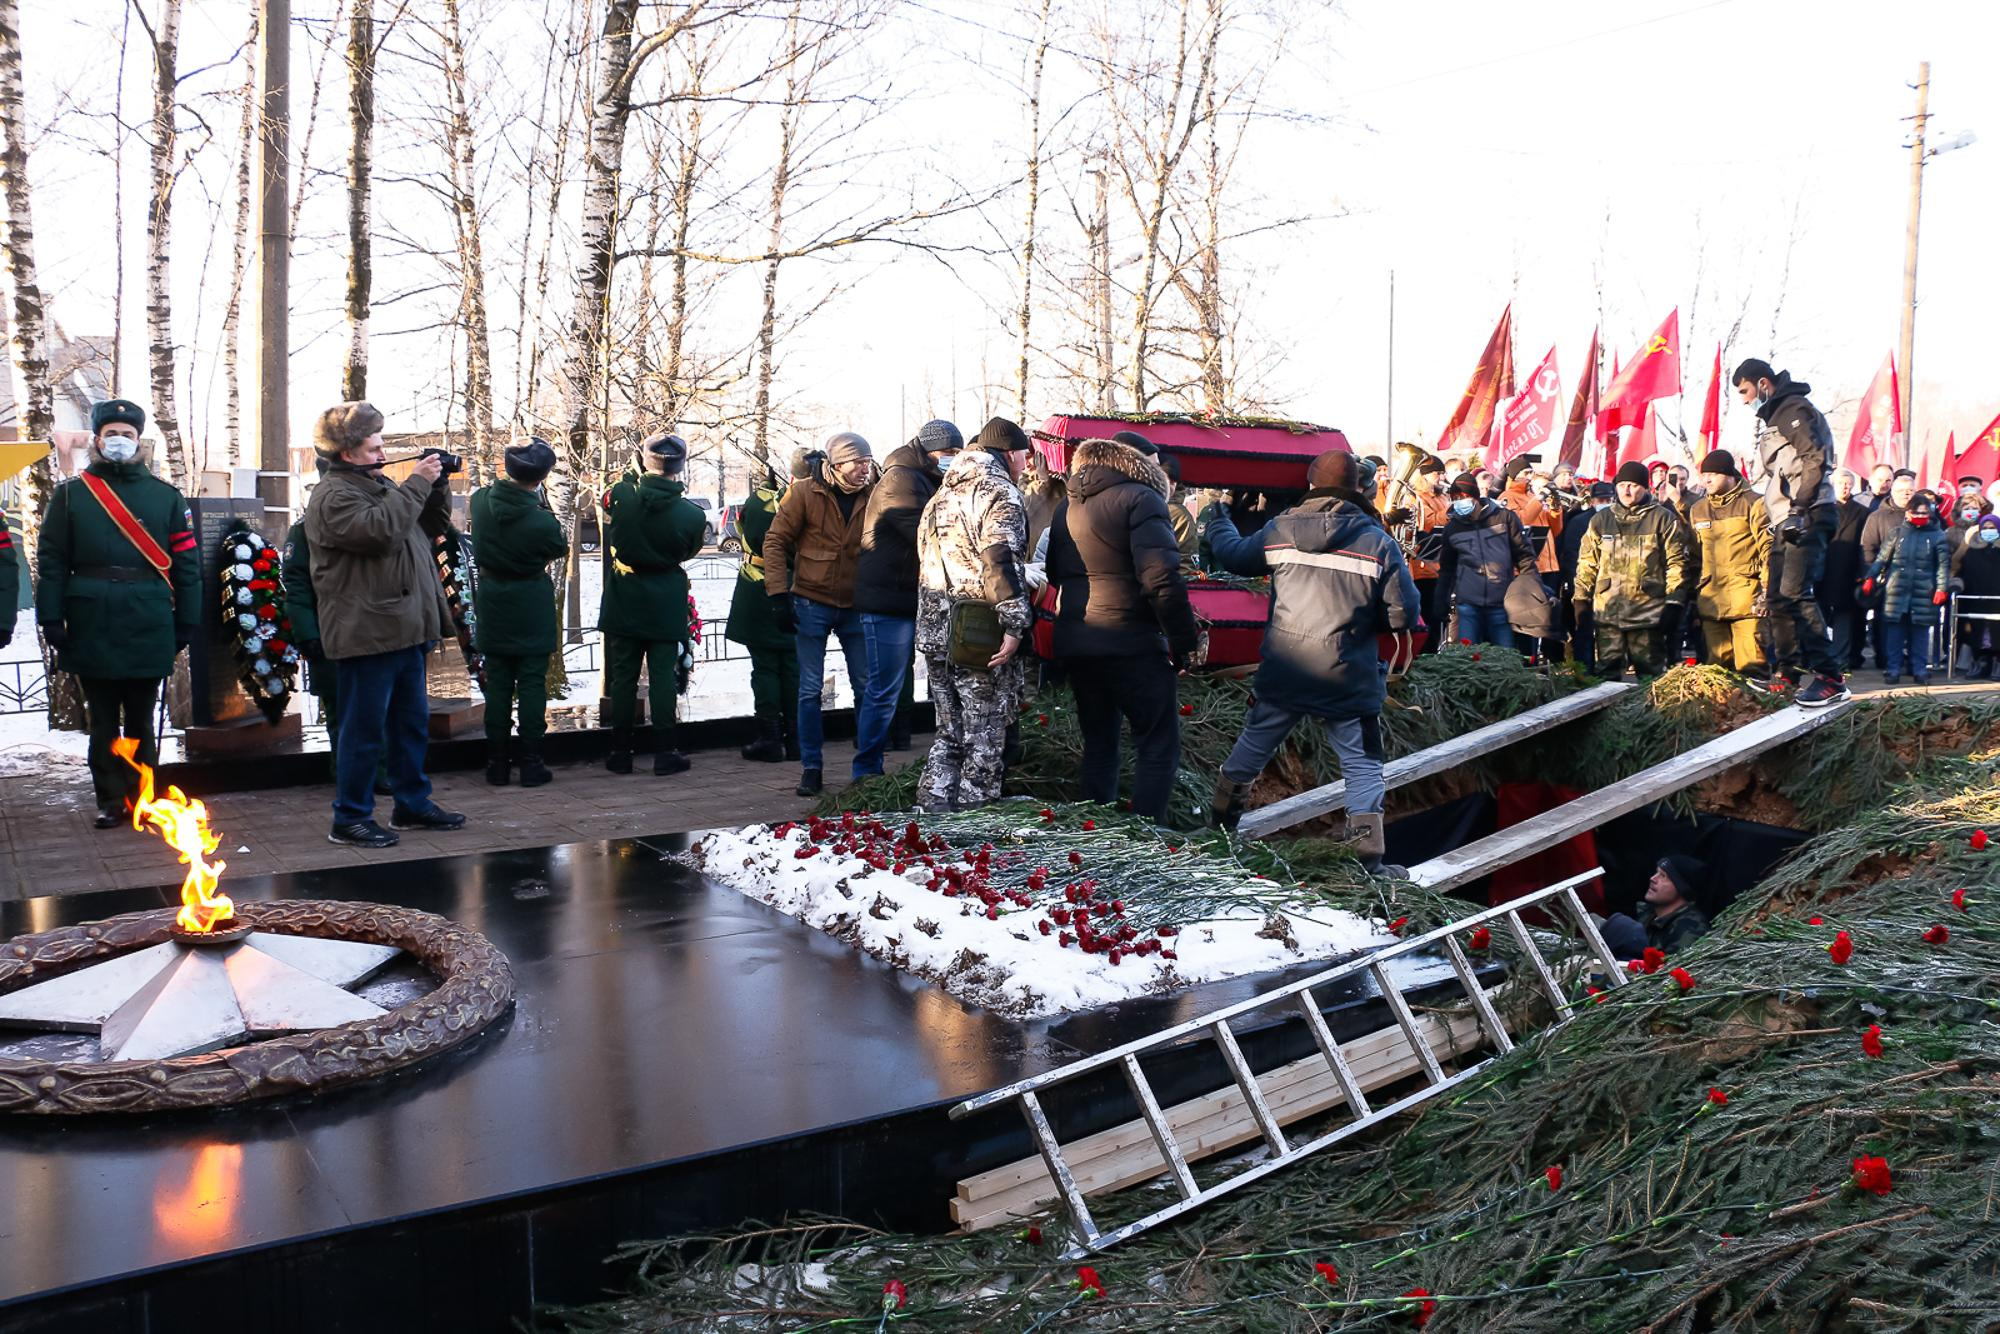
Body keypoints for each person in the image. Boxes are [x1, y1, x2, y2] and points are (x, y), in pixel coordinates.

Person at [1205, 450, 1422, 874]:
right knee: (1361, 764)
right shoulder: (1378, 541)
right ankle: (1368, 859)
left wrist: (1218, 518)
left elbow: (1233, 555)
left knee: (1252, 746)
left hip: (1285, 668)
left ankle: (1219, 826)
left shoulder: (1280, 529)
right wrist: (1359, 620)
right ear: (1358, 488)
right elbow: (1403, 615)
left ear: (1310, 485)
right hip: (1348, 674)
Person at [304, 402, 464, 847]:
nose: (382, 451)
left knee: (409, 725)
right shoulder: (334, 496)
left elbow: (429, 524)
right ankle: (350, 817)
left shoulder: (379, 485)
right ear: (348, 453)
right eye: (374, 445)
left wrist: (436, 487)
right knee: (363, 730)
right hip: (366, 633)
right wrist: (416, 482)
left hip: (404, 629)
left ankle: (411, 803)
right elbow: (380, 533)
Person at [35, 399, 200, 829]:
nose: (120, 441)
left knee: (143, 718)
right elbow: (51, 560)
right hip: (90, 619)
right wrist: (51, 617)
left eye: (128, 434)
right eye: (112, 434)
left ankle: (144, 798)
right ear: (97, 439)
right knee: (103, 720)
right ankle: (110, 799)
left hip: (147, 617)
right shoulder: (71, 495)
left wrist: (188, 619)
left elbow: (186, 564)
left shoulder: (165, 497)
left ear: (139, 440)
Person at [1044, 434, 1199, 823]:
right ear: (1140, 464)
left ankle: (1097, 834)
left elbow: (1054, 573)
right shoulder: (1143, 499)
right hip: (1131, 641)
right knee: (1157, 745)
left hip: (1079, 641)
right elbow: (1161, 577)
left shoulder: (1067, 506)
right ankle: (1148, 840)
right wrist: (1184, 644)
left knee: (1099, 745)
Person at [913, 418, 1032, 811]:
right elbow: (999, 561)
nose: (1026, 466)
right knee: (984, 737)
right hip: (978, 635)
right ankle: (973, 830)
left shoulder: (939, 497)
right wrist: (1015, 625)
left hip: (935, 631)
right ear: (1011, 454)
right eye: (1025, 457)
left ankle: (931, 819)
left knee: (949, 731)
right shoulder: (999, 493)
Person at [765, 431, 876, 797]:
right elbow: (775, 540)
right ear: (837, 464)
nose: (865, 469)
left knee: (866, 686)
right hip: (811, 602)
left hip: (857, 604)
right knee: (810, 690)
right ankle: (811, 767)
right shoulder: (804, 494)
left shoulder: (873, 493)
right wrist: (778, 595)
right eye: (858, 462)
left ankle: (867, 768)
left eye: (867, 462)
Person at [1735, 359, 1849, 706]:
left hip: (1808, 511)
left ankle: (1831, 677)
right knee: (1777, 598)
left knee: (1796, 593)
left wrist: (1800, 508)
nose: (1743, 400)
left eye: (1745, 391)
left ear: (1763, 384)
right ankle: (1788, 673)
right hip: (1786, 515)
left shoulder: (1793, 409)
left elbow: (1815, 457)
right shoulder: (1775, 415)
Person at [851, 419, 958, 778]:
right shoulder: (902, 479)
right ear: (930, 452)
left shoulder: (922, 476)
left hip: (905, 596)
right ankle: (865, 771)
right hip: (888, 599)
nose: (954, 460)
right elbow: (927, 533)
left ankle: (878, 761)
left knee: (892, 686)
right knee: (883, 689)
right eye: (949, 454)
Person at [598, 431, 708, 776]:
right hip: (664, 596)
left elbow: (612, 497)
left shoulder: (621, 496)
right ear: (679, 466)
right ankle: (665, 752)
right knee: (662, 675)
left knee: (623, 677)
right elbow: (688, 552)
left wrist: (634, 472)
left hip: (625, 595)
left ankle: (620, 752)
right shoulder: (692, 515)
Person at [470, 439, 566, 787]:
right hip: (530, 604)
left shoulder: (480, 502)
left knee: (497, 685)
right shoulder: (542, 522)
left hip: (493, 601)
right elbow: (558, 546)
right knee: (530, 684)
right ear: (541, 478)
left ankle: (496, 764)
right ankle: (531, 762)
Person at [1572, 461, 1693, 679]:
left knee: (1651, 677)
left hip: (1647, 615)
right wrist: (1581, 599)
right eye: (1622, 485)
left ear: (1645, 488)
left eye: (1633, 485)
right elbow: (1587, 563)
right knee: (1606, 678)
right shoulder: (1601, 520)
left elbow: (1676, 563)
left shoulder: (1663, 519)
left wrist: (1674, 602)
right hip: (1608, 613)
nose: (1627, 490)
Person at [726, 454, 806, 763]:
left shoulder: (762, 502)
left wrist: (765, 488)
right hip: (800, 588)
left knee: (765, 668)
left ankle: (771, 739)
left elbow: (748, 521)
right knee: (793, 667)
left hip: (761, 590)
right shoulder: (816, 504)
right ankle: (797, 740)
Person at [1687, 450, 1771, 677]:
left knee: (1752, 668)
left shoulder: (1755, 503)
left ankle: (1758, 712)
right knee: (1716, 671)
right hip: (1712, 602)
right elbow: (1694, 558)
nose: (1707, 480)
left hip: (1748, 601)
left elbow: (1769, 550)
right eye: (1704, 475)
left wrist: (1766, 593)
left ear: (1729, 475)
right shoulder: (1698, 509)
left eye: (1713, 474)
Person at [1862, 493, 1952, 685]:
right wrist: (1870, 576)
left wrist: (1942, 588)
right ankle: (1893, 670)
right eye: (1916, 512)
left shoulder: (1937, 536)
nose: (1920, 515)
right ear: (1908, 513)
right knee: (1894, 634)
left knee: (1919, 634)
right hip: (1897, 591)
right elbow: (1881, 559)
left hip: (1924, 592)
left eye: (1924, 512)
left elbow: (1943, 566)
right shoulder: (1896, 534)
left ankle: (1919, 670)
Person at [1435, 470, 1533, 647]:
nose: (1458, 502)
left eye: (1462, 497)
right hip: (1468, 604)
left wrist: (1530, 587)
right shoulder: (1453, 528)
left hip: (1501, 601)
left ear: (1475, 497)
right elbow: (1447, 568)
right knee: (1469, 658)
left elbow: (1524, 556)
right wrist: (1441, 597)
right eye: (1454, 498)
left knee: (1505, 656)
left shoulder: (1504, 517)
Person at [1555, 481, 1611, 668]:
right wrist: (1576, 585)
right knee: (1583, 632)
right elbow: (1571, 555)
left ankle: (1606, 670)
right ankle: (1584, 672)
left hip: (1612, 588)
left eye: (1609, 499)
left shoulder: (1619, 521)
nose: (1605, 502)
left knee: (1609, 633)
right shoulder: (1579, 522)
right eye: (1601, 499)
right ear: (1592, 501)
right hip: (1584, 586)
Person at [1821, 468, 1870, 672]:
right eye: (1841, 483)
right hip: (1823, 570)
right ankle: (1820, 655)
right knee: (1820, 615)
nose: (1845, 487)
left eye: (1849, 484)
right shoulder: (1823, 509)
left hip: (1848, 571)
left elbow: (1865, 544)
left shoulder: (1862, 512)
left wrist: (1862, 572)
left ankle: (1842, 657)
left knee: (1845, 616)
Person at [1956, 513, 2000, 678]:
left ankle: (1998, 662)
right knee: (1977, 633)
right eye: (1986, 528)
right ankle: (1981, 662)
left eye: (1993, 528)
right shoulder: (1972, 552)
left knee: (1997, 633)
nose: (1989, 531)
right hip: (1976, 599)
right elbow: (1963, 572)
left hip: (1997, 600)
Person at [1640, 856, 1711, 953]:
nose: (1653, 879)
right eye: (1656, 872)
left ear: (1681, 888)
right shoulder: (1647, 913)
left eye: (1663, 876)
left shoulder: (1689, 929)